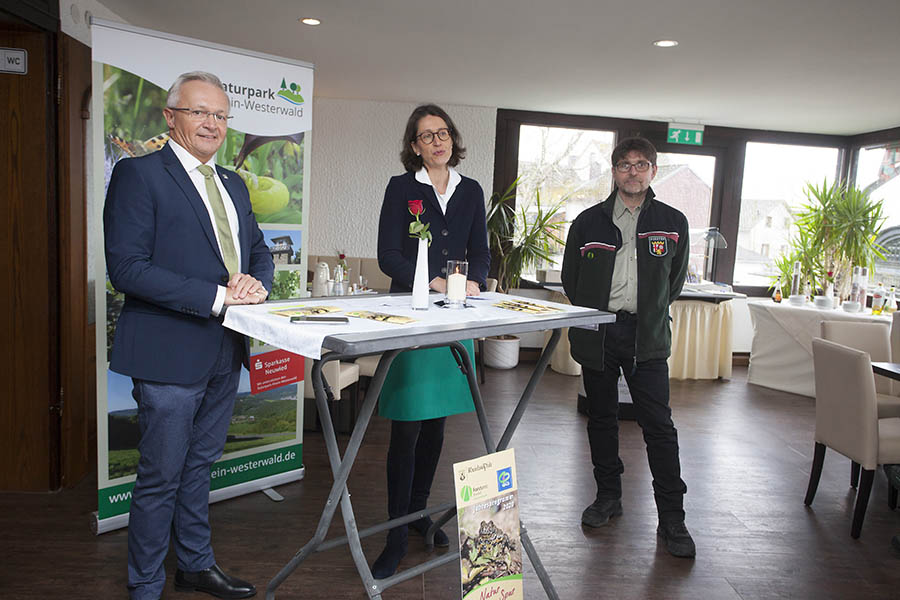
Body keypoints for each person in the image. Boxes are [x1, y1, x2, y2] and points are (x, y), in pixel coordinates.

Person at [104, 71, 274, 599]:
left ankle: (196, 565)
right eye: (200, 112)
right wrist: (218, 296)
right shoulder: (139, 175)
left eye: (221, 115)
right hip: (168, 352)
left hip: (224, 350)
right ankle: (146, 586)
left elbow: (260, 254)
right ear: (170, 116)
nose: (212, 124)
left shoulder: (234, 184)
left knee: (200, 467)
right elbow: (127, 268)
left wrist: (254, 283)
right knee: (160, 478)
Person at [560, 137, 695, 558]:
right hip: (599, 332)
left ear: (653, 171)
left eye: (641, 164)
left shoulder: (674, 221)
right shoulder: (587, 222)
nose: (632, 172)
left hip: (647, 338)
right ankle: (608, 497)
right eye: (624, 164)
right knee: (601, 419)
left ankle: (672, 518)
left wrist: (647, 312)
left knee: (659, 428)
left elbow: (673, 283)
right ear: (614, 171)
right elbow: (571, 279)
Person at [373, 104, 490, 578]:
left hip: (457, 321)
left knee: (437, 425)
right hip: (414, 318)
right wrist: (436, 282)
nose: (437, 141)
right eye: (426, 136)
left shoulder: (472, 190)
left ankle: (419, 514)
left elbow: (480, 250)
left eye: (442, 133)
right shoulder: (402, 188)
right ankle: (396, 534)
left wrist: (475, 280)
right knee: (406, 428)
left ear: (452, 139)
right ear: (415, 146)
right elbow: (389, 256)